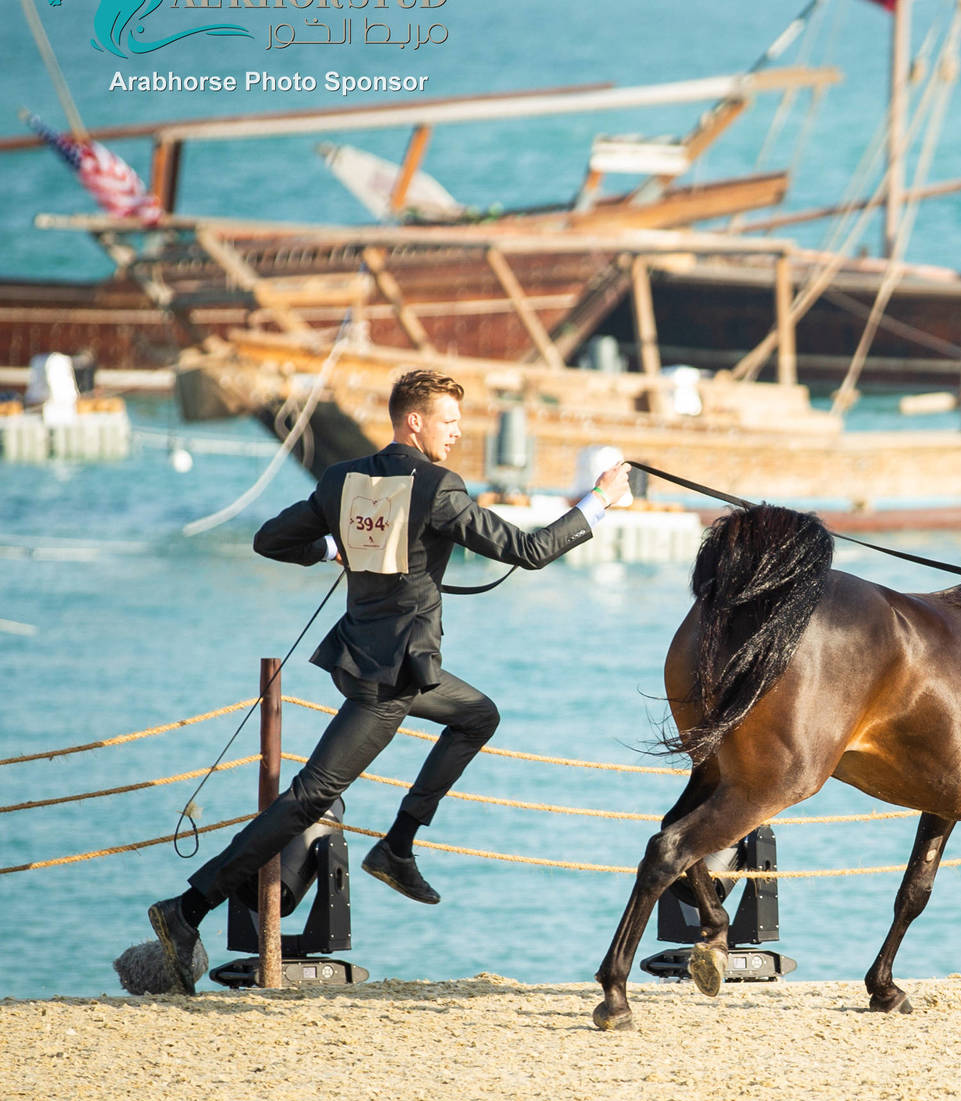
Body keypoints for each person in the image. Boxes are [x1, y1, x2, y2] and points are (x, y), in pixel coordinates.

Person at [148, 369, 631, 992]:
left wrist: (331, 549)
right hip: (391, 680)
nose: (457, 433)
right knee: (308, 798)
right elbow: (529, 551)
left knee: (477, 715)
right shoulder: (438, 487)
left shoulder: (342, 479)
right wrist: (599, 501)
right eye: (449, 422)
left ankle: (397, 847)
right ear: (414, 421)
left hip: (370, 660)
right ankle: (187, 907)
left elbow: (271, 540)